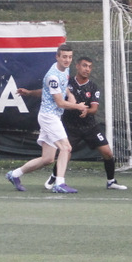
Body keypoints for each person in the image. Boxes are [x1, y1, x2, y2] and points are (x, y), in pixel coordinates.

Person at [7, 43, 88, 193]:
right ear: (57, 57)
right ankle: (59, 184)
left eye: (70, 57)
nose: (67, 60)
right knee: (66, 148)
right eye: (64, 57)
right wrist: (78, 106)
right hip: (49, 117)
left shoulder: (65, 69)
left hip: (53, 116)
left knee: (48, 159)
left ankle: (14, 174)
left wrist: (69, 94)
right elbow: (59, 102)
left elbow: (51, 90)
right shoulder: (53, 76)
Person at [42, 55, 128, 191]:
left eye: (89, 67)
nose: (87, 69)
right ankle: (54, 177)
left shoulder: (93, 87)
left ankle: (111, 181)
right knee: (65, 152)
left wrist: (86, 111)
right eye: (84, 66)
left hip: (90, 127)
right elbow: (51, 93)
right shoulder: (67, 82)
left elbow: (94, 109)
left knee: (107, 153)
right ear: (77, 66)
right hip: (70, 126)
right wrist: (29, 93)